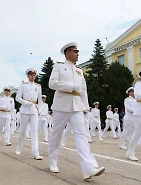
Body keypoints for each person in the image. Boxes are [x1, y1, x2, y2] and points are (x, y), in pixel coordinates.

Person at [48, 42, 104, 180]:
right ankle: (53, 161)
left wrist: (85, 107)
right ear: (67, 52)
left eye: (78, 52)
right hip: (62, 105)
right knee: (56, 135)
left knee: (81, 135)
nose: (77, 54)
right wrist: (71, 86)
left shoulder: (79, 71)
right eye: (75, 51)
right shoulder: (59, 66)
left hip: (77, 106)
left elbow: (84, 90)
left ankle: (88, 169)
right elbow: (52, 83)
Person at [15, 68, 43, 160]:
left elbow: (40, 100)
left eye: (34, 75)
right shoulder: (23, 85)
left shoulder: (38, 86)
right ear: (28, 76)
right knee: (22, 131)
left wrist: (39, 110)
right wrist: (26, 103)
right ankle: (18, 148)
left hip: (34, 110)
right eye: (31, 75)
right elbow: (18, 98)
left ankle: (35, 153)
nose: (32, 76)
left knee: (34, 132)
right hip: (25, 110)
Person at [119, 87, 141, 152]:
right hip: (128, 118)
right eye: (132, 92)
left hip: (135, 118)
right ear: (129, 92)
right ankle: (121, 144)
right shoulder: (127, 100)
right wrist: (136, 111)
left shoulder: (135, 100)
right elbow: (128, 109)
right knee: (126, 131)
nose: (134, 93)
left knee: (139, 131)